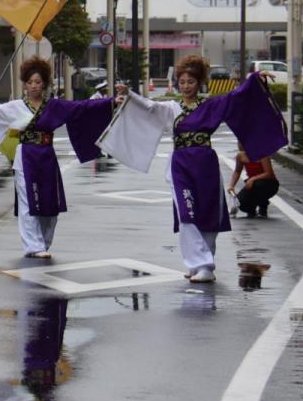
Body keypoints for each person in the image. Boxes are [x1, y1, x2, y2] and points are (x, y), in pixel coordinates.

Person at [104, 56, 287, 283]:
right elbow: (150, 107)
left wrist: (255, 80)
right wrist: (129, 96)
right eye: (182, 82)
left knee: (209, 211)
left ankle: (203, 263)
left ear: (199, 83)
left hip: (206, 163)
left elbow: (236, 97)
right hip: (181, 164)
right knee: (186, 214)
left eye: (190, 81)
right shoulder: (171, 108)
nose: (186, 86)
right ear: (177, 84)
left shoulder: (210, 105)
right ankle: (201, 264)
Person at [0, 56, 114, 258]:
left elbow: (82, 108)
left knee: (50, 205)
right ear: (24, 84)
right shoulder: (15, 106)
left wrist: (112, 102)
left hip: (47, 156)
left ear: (44, 82)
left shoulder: (54, 106)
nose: (33, 86)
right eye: (29, 82)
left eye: (37, 82)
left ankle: (42, 242)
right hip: (25, 156)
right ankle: (33, 245)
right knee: (28, 201)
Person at [228, 143, 279, 218]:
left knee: (259, 185)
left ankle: (263, 204)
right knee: (240, 203)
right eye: (239, 142)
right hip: (252, 184)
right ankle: (251, 208)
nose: (240, 145)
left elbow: (268, 173)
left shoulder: (262, 154)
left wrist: (252, 179)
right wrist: (231, 185)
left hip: (268, 183)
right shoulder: (240, 156)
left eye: (242, 142)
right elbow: (237, 171)